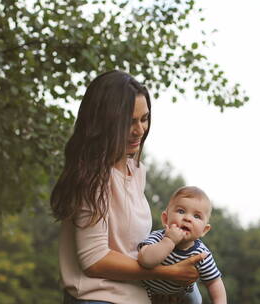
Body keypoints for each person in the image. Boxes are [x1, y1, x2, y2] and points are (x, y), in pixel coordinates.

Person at [50, 70, 205, 304]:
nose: (140, 130)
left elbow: (130, 250)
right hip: (98, 299)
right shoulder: (92, 177)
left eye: (144, 119)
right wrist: (166, 273)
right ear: (104, 122)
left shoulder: (135, 170)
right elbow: (95, 260)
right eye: (129, 122)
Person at [138, 186, 227, 304]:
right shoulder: (158, 237)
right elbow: (145, 260)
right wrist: (169, 241)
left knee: (196, 299)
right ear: (165, 219)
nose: (187, 218)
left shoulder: (201, 253)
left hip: (182, 293)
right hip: (148, 289)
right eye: (181, 211)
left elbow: (214, 282)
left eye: (197, 216)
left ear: (204, 230)